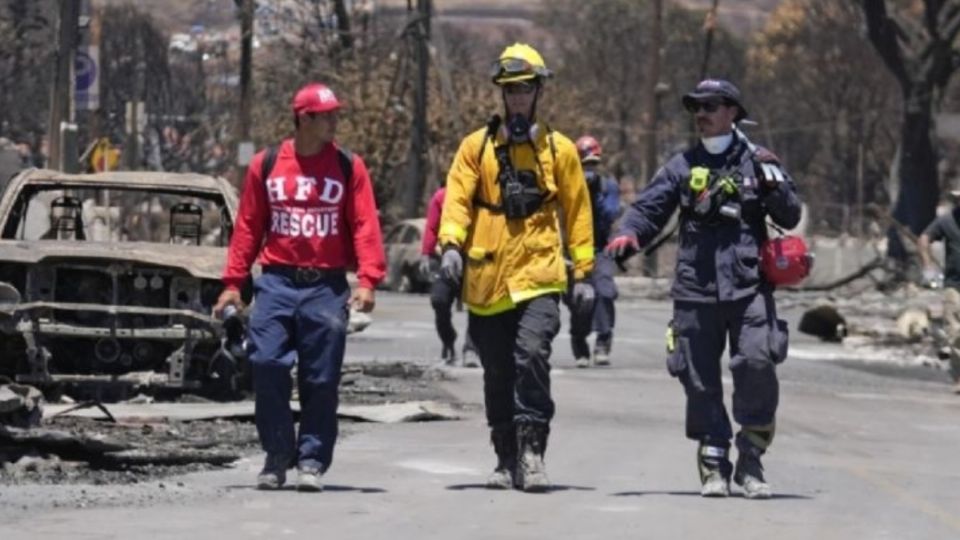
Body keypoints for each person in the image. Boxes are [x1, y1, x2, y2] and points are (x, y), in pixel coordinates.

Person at [606, 79, 801, 499]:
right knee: (697, 377)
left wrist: (774, 185)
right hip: (695, 288)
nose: (701, 113)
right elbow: (648, 208)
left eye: (711, 106)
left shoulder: (758, 161)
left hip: (749, 286)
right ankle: (713, 460)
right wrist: (628, 234)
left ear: (732, 111)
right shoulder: (682, 165)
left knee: (756, 360)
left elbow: (790, 214)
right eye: (695, 106)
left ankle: (751, 456)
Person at [213, 82, 386, 492]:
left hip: (325, 287)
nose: (333, 122)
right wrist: (233, 284)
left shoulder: (348, 166)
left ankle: (311, 459)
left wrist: (368, 279)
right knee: (267, 363)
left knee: (320, 379)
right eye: (325, 115)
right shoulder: (266, 164)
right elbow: (248, 228)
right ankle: (277, 454)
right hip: (275, 282)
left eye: (335, 114)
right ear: (303, 118)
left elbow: (364, 224)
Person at [438, 43, 595, 492]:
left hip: (540, 275)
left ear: (538, 91)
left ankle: (532, 453)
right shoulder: (476, 148)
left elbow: (578, 212)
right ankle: (505, 458)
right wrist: (450, 244)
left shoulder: (559, 151)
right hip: (488, 281)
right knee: (498, 374)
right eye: (511, 91)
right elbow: (457, 200)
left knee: (531, 356)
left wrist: (583, 273)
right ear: (501, 95)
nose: (518, 98)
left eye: (526, 89)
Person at [567, 135, 621, 368]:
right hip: (573, 251)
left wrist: (594, 195)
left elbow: (611, 214)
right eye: (584, 164)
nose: (589, 170)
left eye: (592, 164)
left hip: (600, 248)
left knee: (605, 292)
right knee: (579, 299)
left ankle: (603, 342)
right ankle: (579, 345)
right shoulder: (566, 185)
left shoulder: (608, 187)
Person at [419, 182, 479, 367]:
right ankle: (448, 338)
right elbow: (431, 227)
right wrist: (426, 254)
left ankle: (471, 349)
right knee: (439, 300)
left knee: (479, 306)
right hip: (446, 257)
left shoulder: (483, 195)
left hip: (475, 258)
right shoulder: (441, 196)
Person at [918, 190, 960, 393]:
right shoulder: (947, 221)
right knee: (956, 332)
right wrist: (928, 266)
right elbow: (924, 238)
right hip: (954, 285)